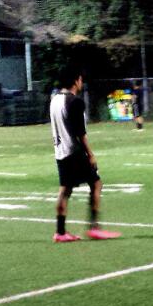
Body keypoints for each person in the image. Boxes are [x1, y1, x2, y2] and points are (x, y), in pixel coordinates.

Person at [49, 68, 120, 243]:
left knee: (65, 190)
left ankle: (60, 232)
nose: (81, 82)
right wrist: (91, 154)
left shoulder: (54, 100)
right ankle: (94, 228)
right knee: (96, 184)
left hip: (60, 152)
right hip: (74, 151)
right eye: (80, 79)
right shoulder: (75, 102)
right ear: (75, 81)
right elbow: (80, 132)